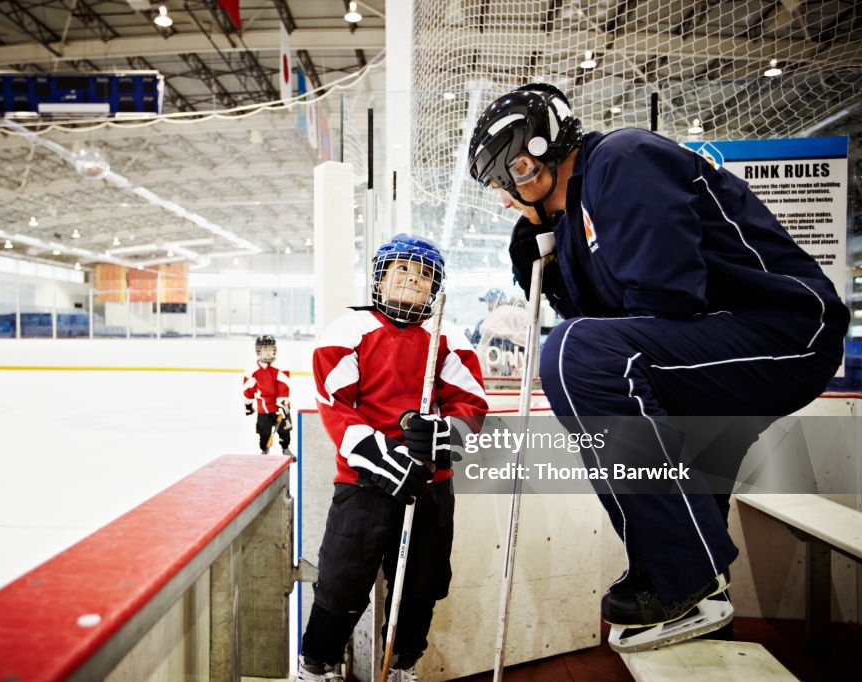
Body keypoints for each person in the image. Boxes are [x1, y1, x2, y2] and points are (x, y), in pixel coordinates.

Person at [468, 83, 848, 651]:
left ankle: (686, 574)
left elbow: (663, 300)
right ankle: (700, 600)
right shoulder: (574, 214)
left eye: (507, 179)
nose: (504, 198)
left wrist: (580, 290)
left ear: (536, 161)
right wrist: (544, 260)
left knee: (574, 355)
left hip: (789, 330)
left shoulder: (621, 160)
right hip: (722, 343)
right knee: (675, 463)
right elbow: (610, 320)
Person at [299, 234, 488, 681]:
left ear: (434, 289)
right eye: (402, 269)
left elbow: (472, 406)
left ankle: (403, 665)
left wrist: (442, 436)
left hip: (430, 483)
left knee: (420, 587)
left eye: (424, 275)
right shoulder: (348, 328)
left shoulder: (449, 336)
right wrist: (380, 455)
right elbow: (336, 403)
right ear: (380, 279)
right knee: (341, 581)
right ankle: (316, 666)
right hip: (363, 483)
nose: (412, 280)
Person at [242, 334, 293, 456]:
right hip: (263, 406)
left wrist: (282, 402)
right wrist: (248, 405)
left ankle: (285, 448)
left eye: (270, 349)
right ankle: (264, 449)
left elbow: (284, 385)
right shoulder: (253, 370)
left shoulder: (280, 367)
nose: (268, 352)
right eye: (265, 350)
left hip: (279, 405)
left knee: (284, 428)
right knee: (263, 431)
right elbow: (248, 389)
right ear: (258, 352)